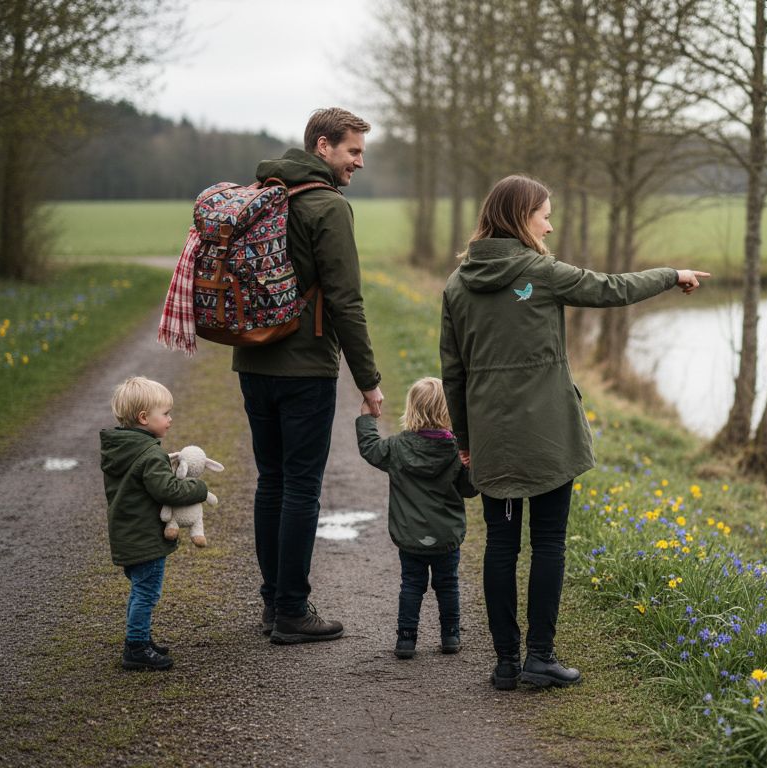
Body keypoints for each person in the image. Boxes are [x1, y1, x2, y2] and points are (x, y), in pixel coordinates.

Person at [439, 174, 709, 689]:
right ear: (521, 217)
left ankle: (503, 664)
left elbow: (452, 372)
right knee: (548, 544)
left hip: (492, 436)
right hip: (548, 434)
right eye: (544, 213)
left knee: (500, 545)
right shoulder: (540, 272)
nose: (551, 223)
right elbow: (611, 289)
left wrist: (466, 442)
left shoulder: (457, 285)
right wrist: (672, 274)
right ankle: (539, 658)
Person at [235, 107, 385, 644]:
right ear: (323, 147)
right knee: (301, 485)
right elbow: (346, 300)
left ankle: (273, 604)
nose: (358, 162)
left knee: (271, 481)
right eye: (353, 151)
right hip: (305, 366)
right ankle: (294, 611)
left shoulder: (263, 193)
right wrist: (367, 379)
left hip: (252, 359)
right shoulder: (327, 207)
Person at [356, 377, 477, 659]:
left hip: (409, 537)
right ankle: (450, 636)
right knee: (448, 585)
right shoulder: (456, 453)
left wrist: (366, 419)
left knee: (411, 585)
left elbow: (371, 449)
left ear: (411, 410)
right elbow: (469, 490)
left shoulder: (397, 448)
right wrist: (472, 467)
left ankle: (406, 640)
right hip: (446, 536)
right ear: (448, 413)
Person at [100, 376, 213, 671]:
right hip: (145, 536)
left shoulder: (122, 449)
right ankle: (136, 647)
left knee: (141, 589)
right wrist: (199, 489)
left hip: (128, 532)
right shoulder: (150, 454)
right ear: (143, 418)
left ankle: (139, 639)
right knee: (147, 592)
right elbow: (167, 490)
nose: (170, 419)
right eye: (165, 414)